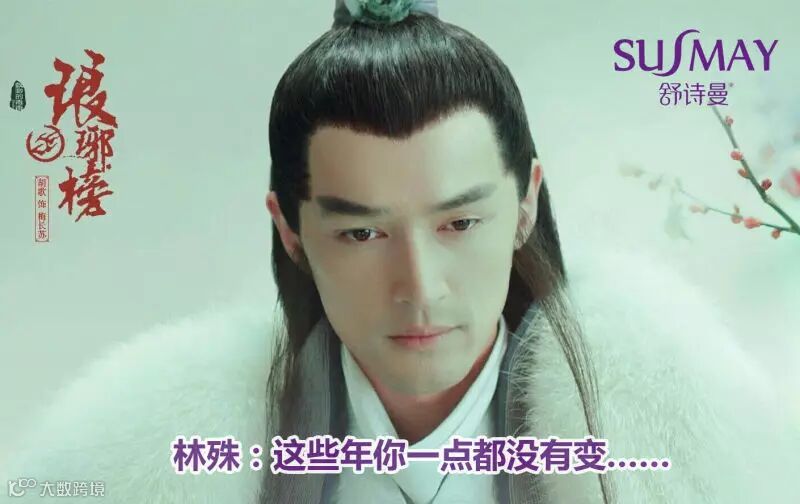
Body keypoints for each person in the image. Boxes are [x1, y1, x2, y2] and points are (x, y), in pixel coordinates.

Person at [1, 1, 796, 503]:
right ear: (290, 230)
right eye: (361, 232)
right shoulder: (147, 457)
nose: (419, 287)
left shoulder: (681, 444)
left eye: (460, 224)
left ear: (525, 203)